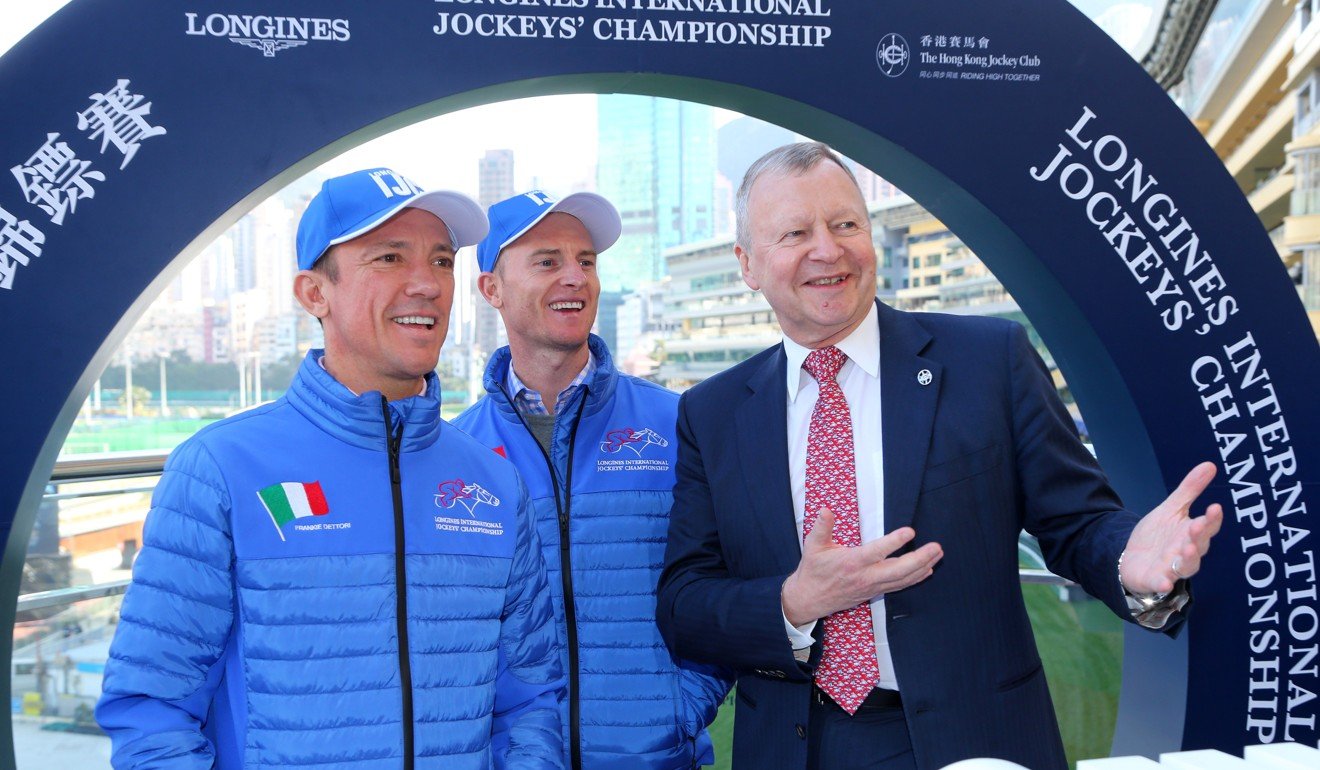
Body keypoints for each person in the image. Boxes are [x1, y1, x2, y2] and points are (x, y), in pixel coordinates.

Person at [655, 143, 1223, 770]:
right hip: (796, 746)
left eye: (846, 224)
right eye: (795, 232)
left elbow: (1078, 522)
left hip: (974, 742)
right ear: (747, 264)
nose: (828, 249)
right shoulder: (711, 413)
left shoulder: (989, 362)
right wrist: (794, 601)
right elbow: (685, 605)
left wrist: (1127, 561)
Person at [96, 168, 566, 770]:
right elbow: (152, 710)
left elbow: (529, 702)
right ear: (314, 293)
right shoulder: (221, 470)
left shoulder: (493, 483)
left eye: (443, 261)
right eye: (390, 258)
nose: (426, 284)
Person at [454, 190, 732, 770]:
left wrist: (678, 713)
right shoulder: (457, 453)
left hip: (657, 758)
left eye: (586, 261)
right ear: (491, 289)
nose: (575, 278)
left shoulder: (677, 423)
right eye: (547, 261)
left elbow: (726, 581)